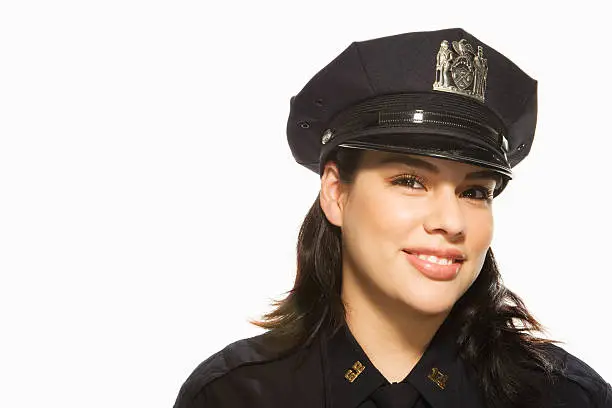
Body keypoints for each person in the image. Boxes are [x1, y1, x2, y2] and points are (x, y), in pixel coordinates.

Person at [173, 28, 612, 408]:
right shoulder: (234, 397)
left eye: (474, 191)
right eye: (410, 180)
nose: (451, 221)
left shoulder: (567, 397)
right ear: (336, 192)